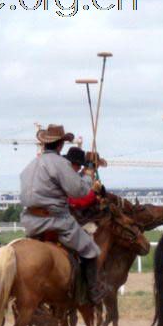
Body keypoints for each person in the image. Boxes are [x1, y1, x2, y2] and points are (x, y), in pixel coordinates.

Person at [19, 124, 104, 304]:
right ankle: (93, 291)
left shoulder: (30, 165)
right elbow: (79, 191)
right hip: (56, 221)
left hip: (29, 222)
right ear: (60, 145)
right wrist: (88, 173)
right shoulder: (60, 164)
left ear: (44, 144)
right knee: (91, 249)